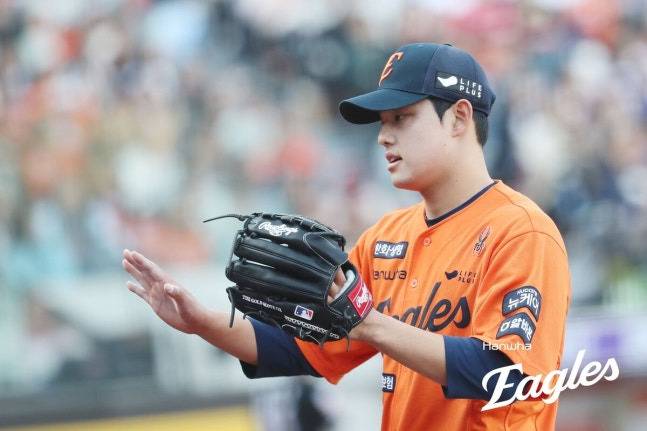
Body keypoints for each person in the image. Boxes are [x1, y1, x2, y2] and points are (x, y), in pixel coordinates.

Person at [122, 43, 571, 430]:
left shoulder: (521, 232)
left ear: (459, 118)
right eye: (382, 122)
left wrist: (370, 323)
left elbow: (505, 374)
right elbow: (301, 347)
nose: (384, 137)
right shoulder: (386, 238)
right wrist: (201, 321)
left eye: (402, 118)